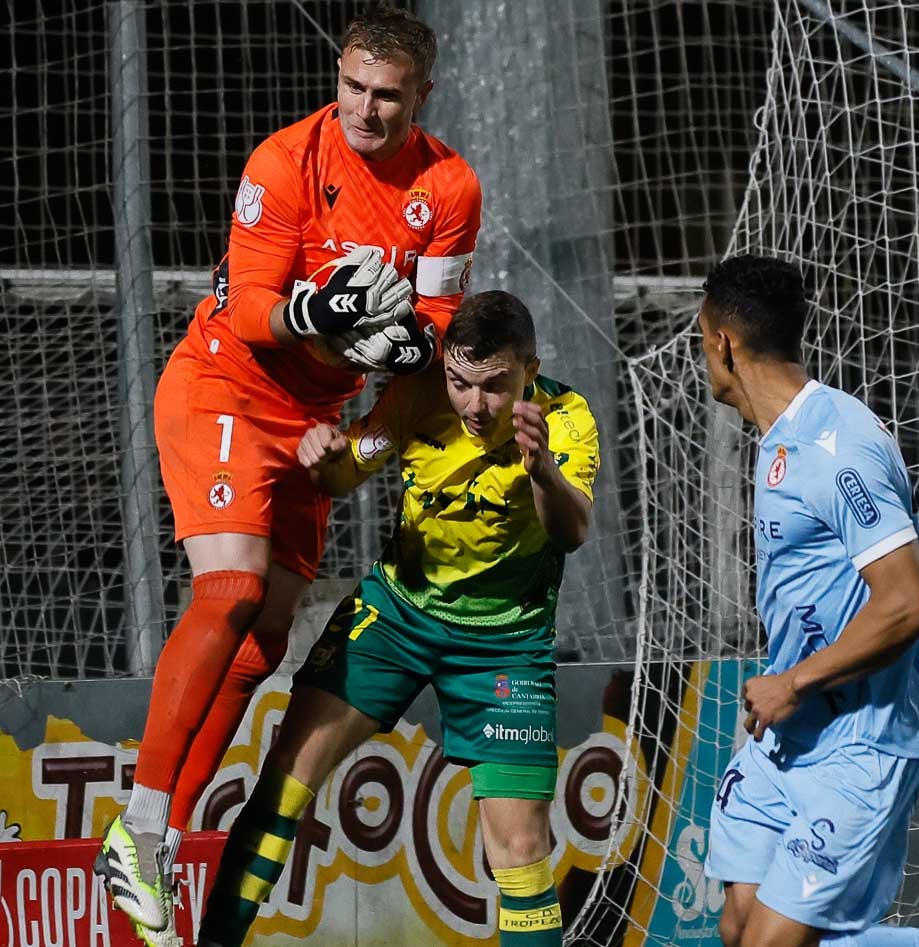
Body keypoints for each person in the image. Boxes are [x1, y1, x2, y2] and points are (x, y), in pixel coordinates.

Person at [94, 6, 483, 942]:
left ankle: (155, 844)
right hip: (224, 386)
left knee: (264, 643)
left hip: (309, 423)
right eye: (352, 86)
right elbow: (259, 308)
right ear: (338, 76)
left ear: (421, 95)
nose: (365, 109)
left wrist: (401, 348)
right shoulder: (283, 161)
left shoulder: (450, 186)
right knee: (227, 589)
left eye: (387, 95)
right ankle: (142, 827)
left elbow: (429, 335)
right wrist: (323, 309)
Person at [196, 290, 598, 947]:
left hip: (505, 645)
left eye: (494, 386)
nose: (474, 404)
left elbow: (573, 530)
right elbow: (345, 474)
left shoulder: (567, 415)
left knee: (521, 845)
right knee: (285, 784)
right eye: (460, 383)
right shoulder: (417, 395)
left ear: (531, 366)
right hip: (396, 619)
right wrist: (325, 454)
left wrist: (541, 471)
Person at [696, 256, 919, 947]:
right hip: (791, 731)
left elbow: (907, 604)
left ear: (722, 341)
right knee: (738, 926)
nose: (701, 353)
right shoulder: (779, 439)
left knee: (770, 945)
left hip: (860, 738)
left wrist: (792, 680)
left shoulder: (836, 443)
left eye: (700, 337)